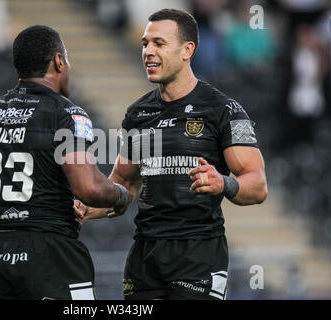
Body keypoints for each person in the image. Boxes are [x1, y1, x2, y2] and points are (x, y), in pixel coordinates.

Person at [75, 9, 268, 300]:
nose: (148, 52)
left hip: (198, 257)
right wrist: (87, 208)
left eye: (159, 43)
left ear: (187, 49)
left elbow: (258, 185)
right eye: (144, 44)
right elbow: (124, 186)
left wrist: (224, 183)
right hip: (145, 258)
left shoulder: (223, 110)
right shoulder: (139, 114)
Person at [0, 25, 131, 300]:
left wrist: (11, 219)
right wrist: (122, 196)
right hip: (51, 255)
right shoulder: (66, 114)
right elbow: (89, 189)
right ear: (59, 61)